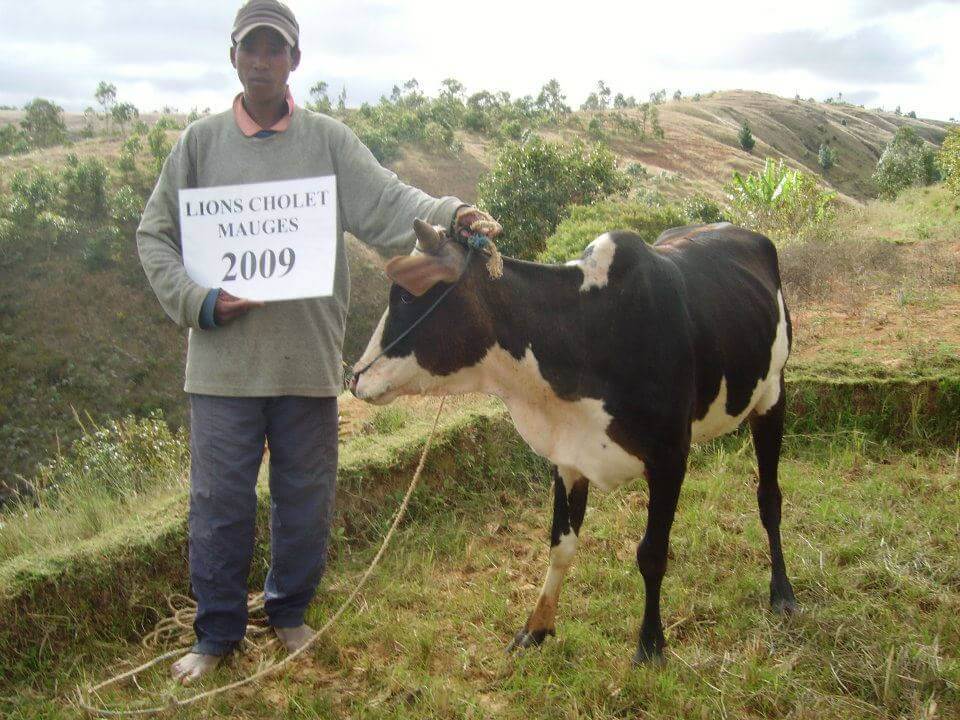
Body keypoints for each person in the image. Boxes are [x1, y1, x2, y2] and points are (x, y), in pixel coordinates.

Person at [136, 0, 501, 684]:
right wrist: (199, 301)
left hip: (306, 364)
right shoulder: (200, 144)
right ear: (234, 57)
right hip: (221, 369)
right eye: (252, 48)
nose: (263, 61)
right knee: (218, 506)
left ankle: (289, 612)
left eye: (276, 49)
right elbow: (154, 235)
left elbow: (391, 204)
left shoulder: (328, 142)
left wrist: (452, 213)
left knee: (305, 498)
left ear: (294, 60)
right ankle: (215, 635)